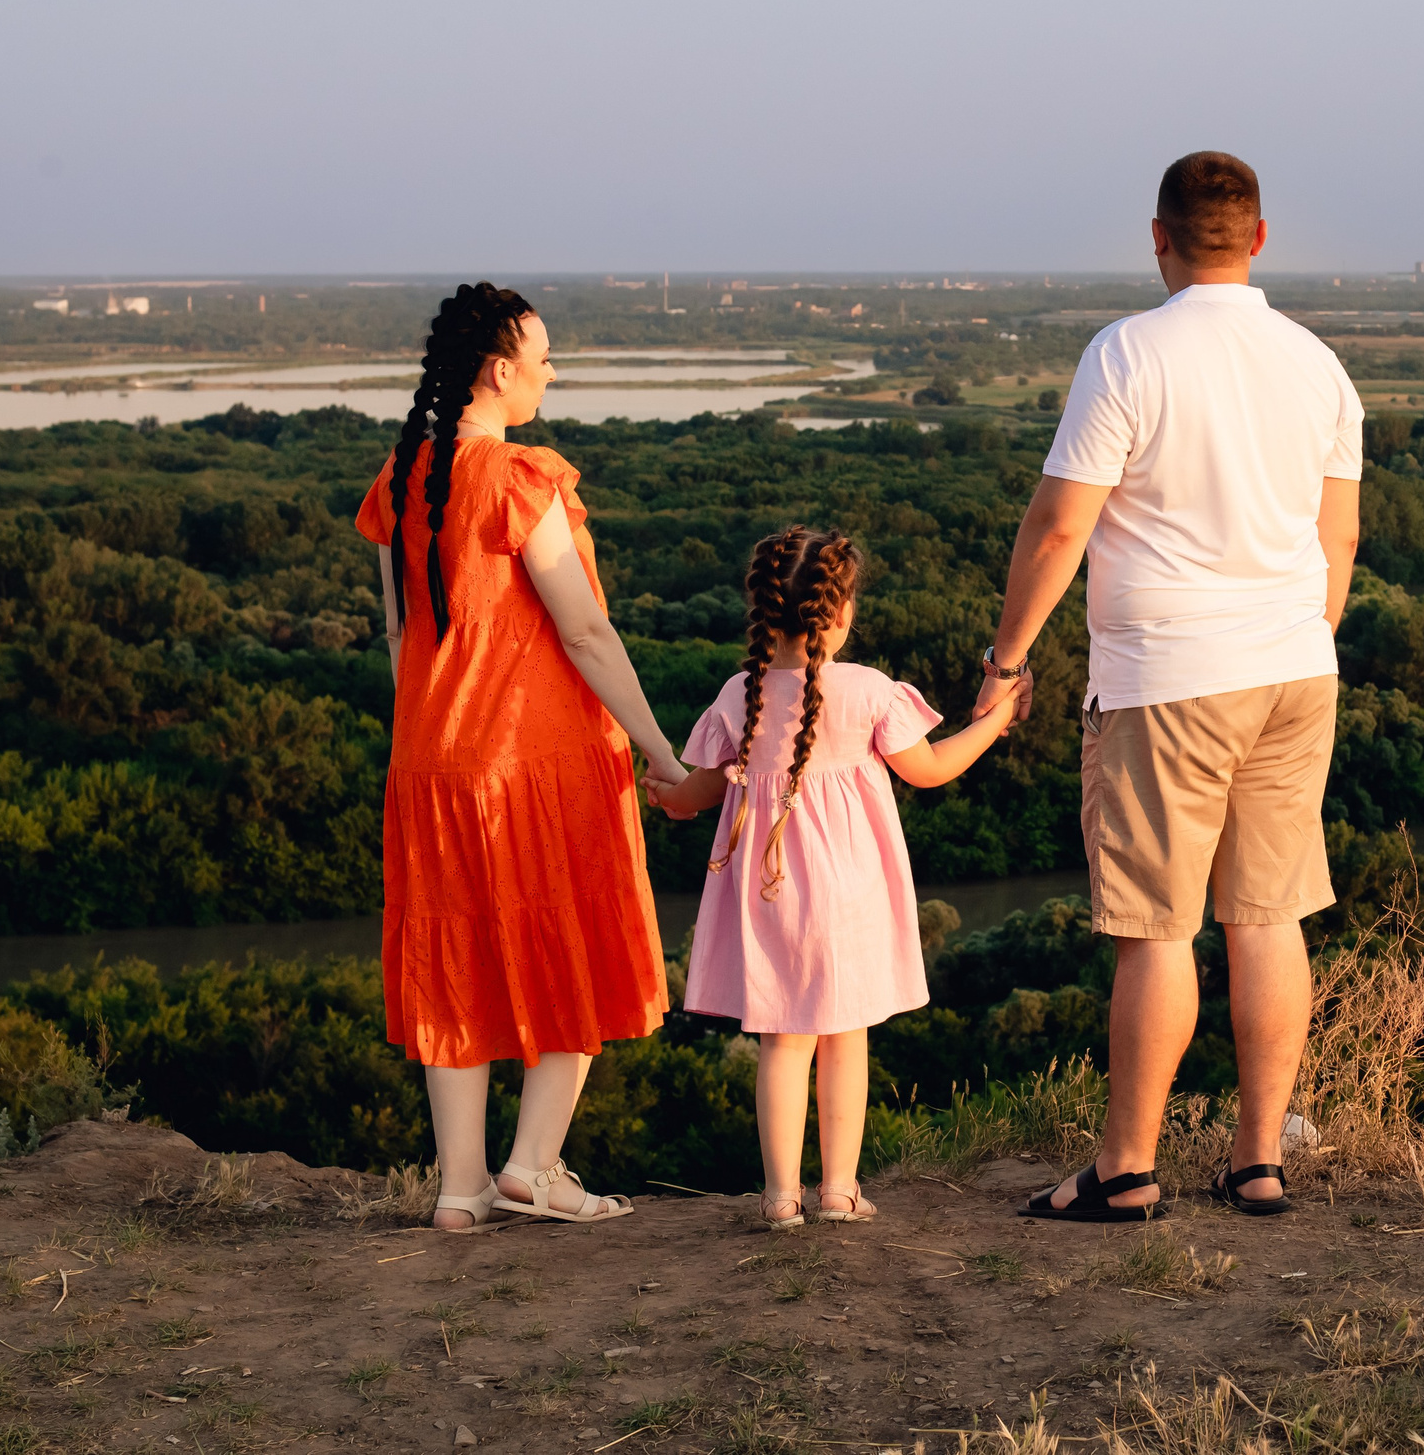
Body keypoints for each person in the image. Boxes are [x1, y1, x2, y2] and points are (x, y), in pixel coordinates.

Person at [980, 152, 1363, 1223]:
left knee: (1158, 927)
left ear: (1158, 237)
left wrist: (1006, 660)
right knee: (1269, 913)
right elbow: (1339, 536)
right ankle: (1255, 1162)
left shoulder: (1126, 356)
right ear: (1258, 237)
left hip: (1168, 678)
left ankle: (1128, 1169)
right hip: (1293, 669)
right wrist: (1304, 637)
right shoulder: (1318, 364)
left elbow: (1060, 525)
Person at [356, 282, 690, 1231]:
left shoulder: (402, 479)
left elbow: (397, 632)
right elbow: (585, 630)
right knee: (574, 946)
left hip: (430, 762)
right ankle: (533, 1165)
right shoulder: (516, 478)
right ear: (500, 368)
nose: (552, 369)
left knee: (454, 962)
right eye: (543, 355)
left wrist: (434, 728)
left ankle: (459, 1189)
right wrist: (656, 746)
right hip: (534, 759)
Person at [652, 526, 1023, 1229]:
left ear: (761, 611)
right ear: (842, 610)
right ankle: (839, 1191)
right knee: (846, 1035)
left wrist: (663, 795)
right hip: (852, 896)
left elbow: (695, 794)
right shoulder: (869, 690)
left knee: (784, 1040)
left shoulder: (741, 694)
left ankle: (779, 1196)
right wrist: (998, 715)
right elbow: (933, 769)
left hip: (770, 898)